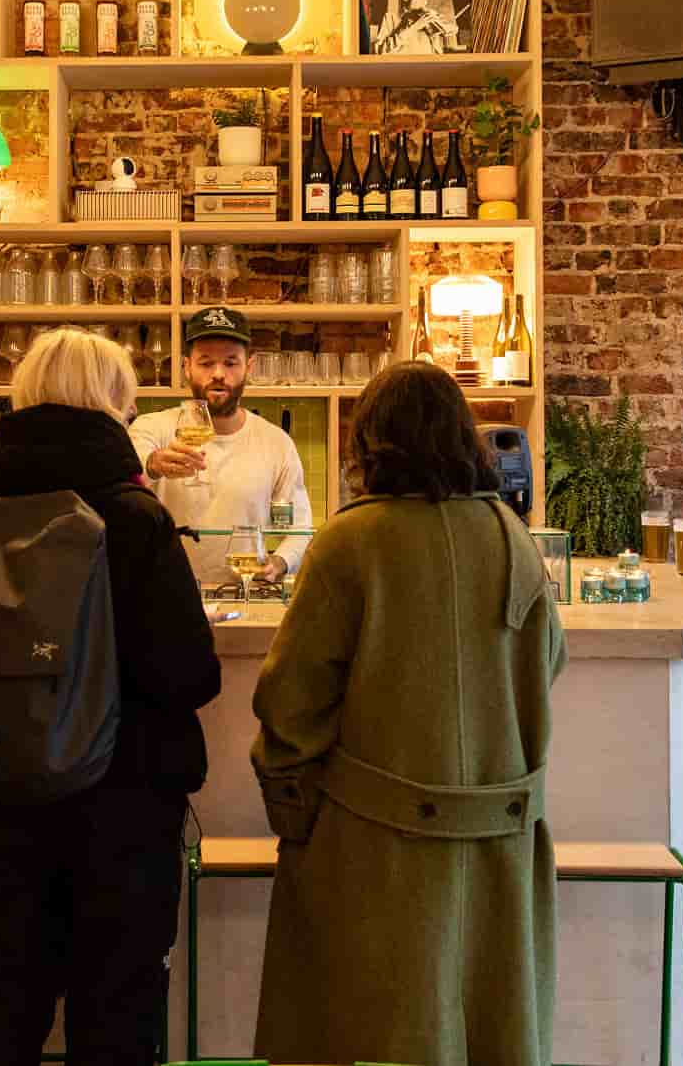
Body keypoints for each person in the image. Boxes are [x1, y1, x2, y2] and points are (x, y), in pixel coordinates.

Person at [251, 361, 566, 1066]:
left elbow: (288, 703)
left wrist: (293, 815)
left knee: (356, 1035)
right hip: (499, 860)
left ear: (371, 442)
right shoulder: (513, 538)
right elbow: (546, 666)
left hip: (370, 857)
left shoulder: (349, 542)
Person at [0, 328, 220, 1066]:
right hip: (125, 799)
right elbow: (188, 673)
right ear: (112, 404)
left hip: (11, 789)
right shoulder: (133, 518)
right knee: (117, 1007)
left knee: (5, 996)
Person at [127, 306, 313, 589]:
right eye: (205, 363)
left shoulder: (276, 443)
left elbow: (300, 527)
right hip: (165, 594)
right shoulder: (153, 428)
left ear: (248, 367)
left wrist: (280, 562)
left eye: (230, 362)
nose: (218, 374)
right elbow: (132, 468)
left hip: (244, 593)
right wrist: (154, 464)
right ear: (186, 366)